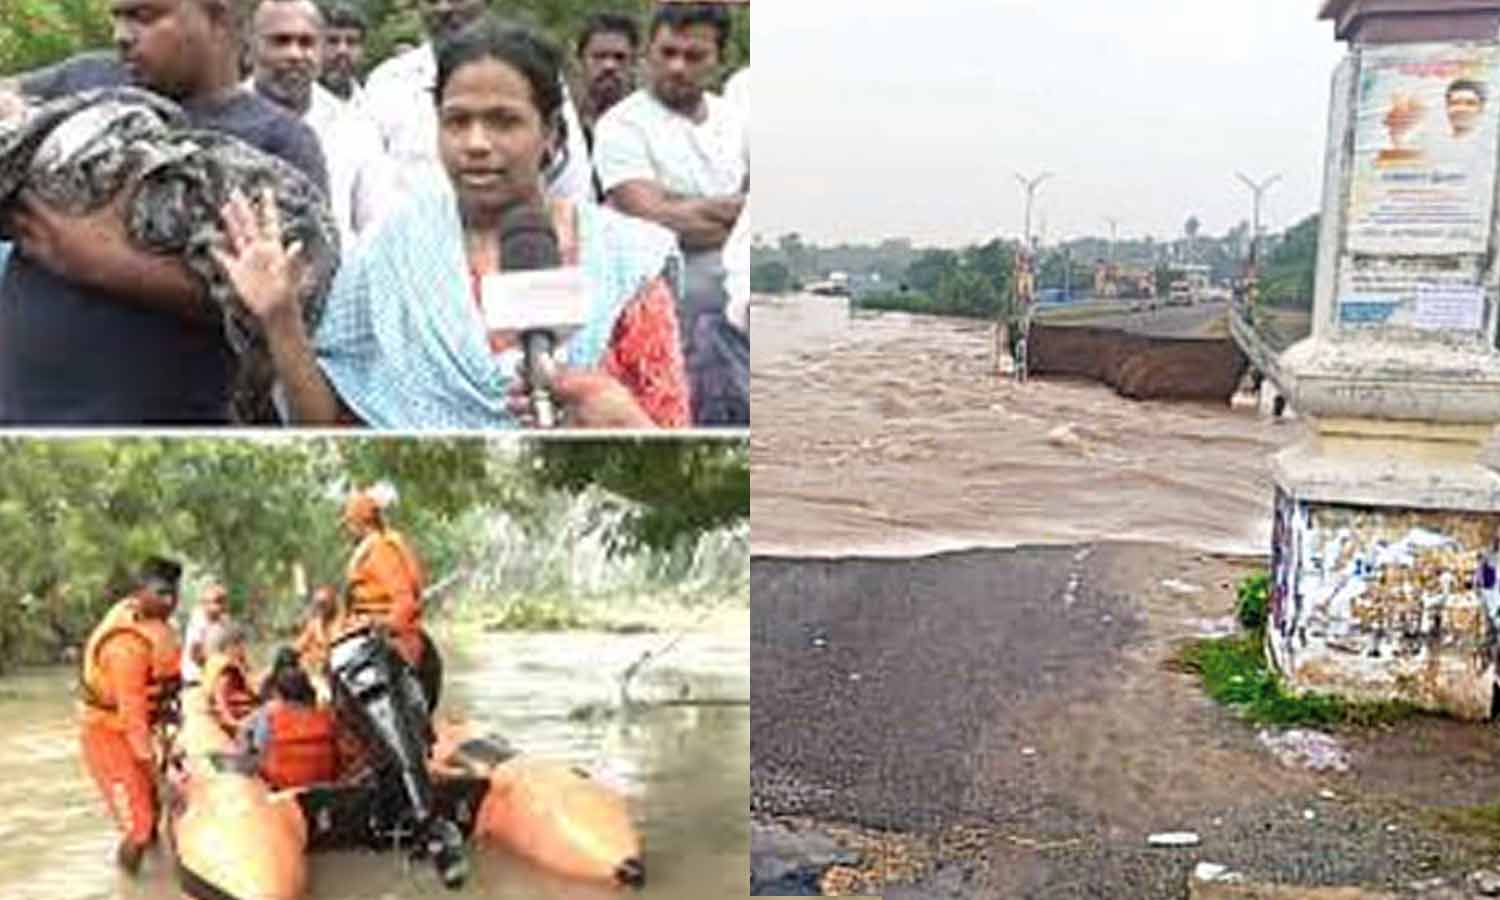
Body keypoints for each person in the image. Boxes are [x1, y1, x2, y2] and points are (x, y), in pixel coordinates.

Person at [212, 17, 692, 429]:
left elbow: (671, 441)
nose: (476, 143)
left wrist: (619, 420)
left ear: (549, 133)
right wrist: (281, 318)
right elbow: (327, 425)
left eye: (504, 121)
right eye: (457, 121)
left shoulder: (625, 260)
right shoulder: (392, 250)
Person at [0, 0, 328, 425]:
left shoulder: (278, 142)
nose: (122, 35)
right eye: (118, 17)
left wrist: (101, 262)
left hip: (160, 418)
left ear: (218, 16)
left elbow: (278, 303)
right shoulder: (83, 80)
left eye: (144, 17)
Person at [594, 2, 746, 426]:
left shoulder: (735, 120)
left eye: (694, 56)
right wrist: (735, 210)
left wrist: (681, 202)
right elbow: (650, 219)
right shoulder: (621, 126)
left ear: (720, 60)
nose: (678, 67)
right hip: (660, 317)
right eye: (667, 53)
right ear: (648, 53)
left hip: (736, 318)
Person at [363, 0, 593, 202]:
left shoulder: (532, 70)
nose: (444, 8)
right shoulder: (388, 82)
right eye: (432, 1)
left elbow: (572, 179)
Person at [250, 0, 395, 247]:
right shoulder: (221, 120)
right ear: (251, 46)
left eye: (306, 43)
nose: (295, 54)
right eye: (280, 41)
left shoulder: (357, 129)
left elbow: (377, 227)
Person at [78, 557, 183, 874]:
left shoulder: (154, 626)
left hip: (139, 727)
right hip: (108, 735)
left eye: (173, 593)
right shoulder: (125, 647)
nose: (169, 602)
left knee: (152, 809)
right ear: (138, 593)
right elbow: (133, 721)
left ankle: (156, 866)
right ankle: (130, 884)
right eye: (161, 593)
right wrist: (160, 781)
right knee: (138, 826)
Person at [240, 664, 339, 790]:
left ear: (279, 694)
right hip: (323, 779)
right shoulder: (325, 717)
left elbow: (258, 747)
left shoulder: (270, 715)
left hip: (284, 781)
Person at [574, 12, 640, 200]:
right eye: (599, 57)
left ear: (634, 63)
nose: (609, 66)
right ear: (579, 61)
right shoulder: (563, 127)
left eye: (620, 57)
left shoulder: (652, 128)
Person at [202, 623, 258, 735]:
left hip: (242, 716)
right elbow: (220, 698)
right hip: (237, 720)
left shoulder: (231, 664)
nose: (244, 649)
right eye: (240, 644)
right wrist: (234, 723)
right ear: (230, 646)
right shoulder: (226, 670)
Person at [318, 2, 369, 106]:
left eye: (351, 42)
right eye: (332, 41)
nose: (342, 50)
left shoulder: (374, 102)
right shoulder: (295, 106)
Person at [181, 583, 230, 687]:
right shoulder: (198, 621)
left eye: (223, 601)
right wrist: (215, 665)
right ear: (205, 604)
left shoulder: (224, 621)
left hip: (215, 676)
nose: (221, 606)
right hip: (196, 678)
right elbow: (195, 654)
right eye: (217, 601)